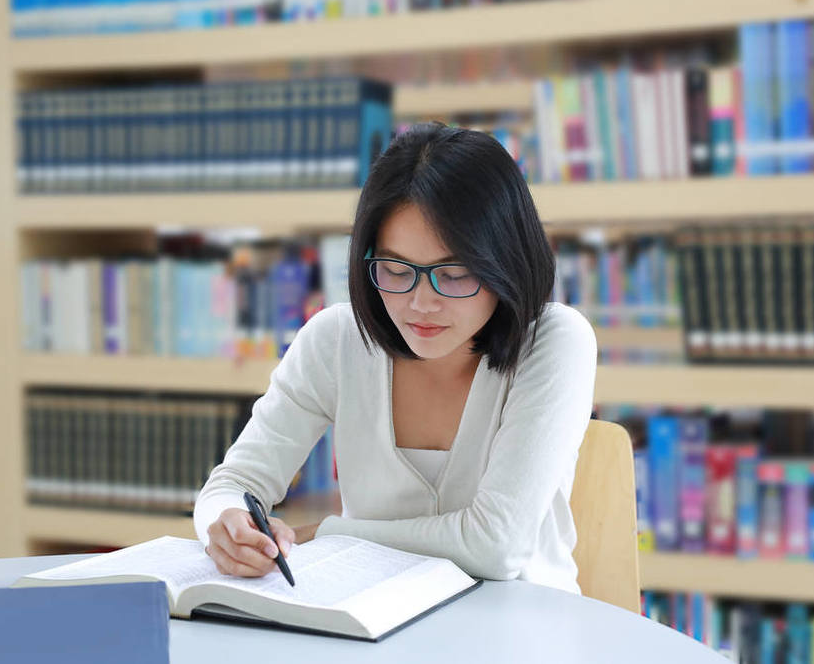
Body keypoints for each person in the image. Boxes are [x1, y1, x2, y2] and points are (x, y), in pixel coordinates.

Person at [194, 122, 597, 594]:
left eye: (454, 273)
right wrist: (225, 524)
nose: (421, 302)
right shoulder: (336, 340)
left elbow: (496, 546)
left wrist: (325, 535)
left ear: (504, 261)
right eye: (396, 268)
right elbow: (235, 482)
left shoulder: (554, 341)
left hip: (523, 635)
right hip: (375, 630)